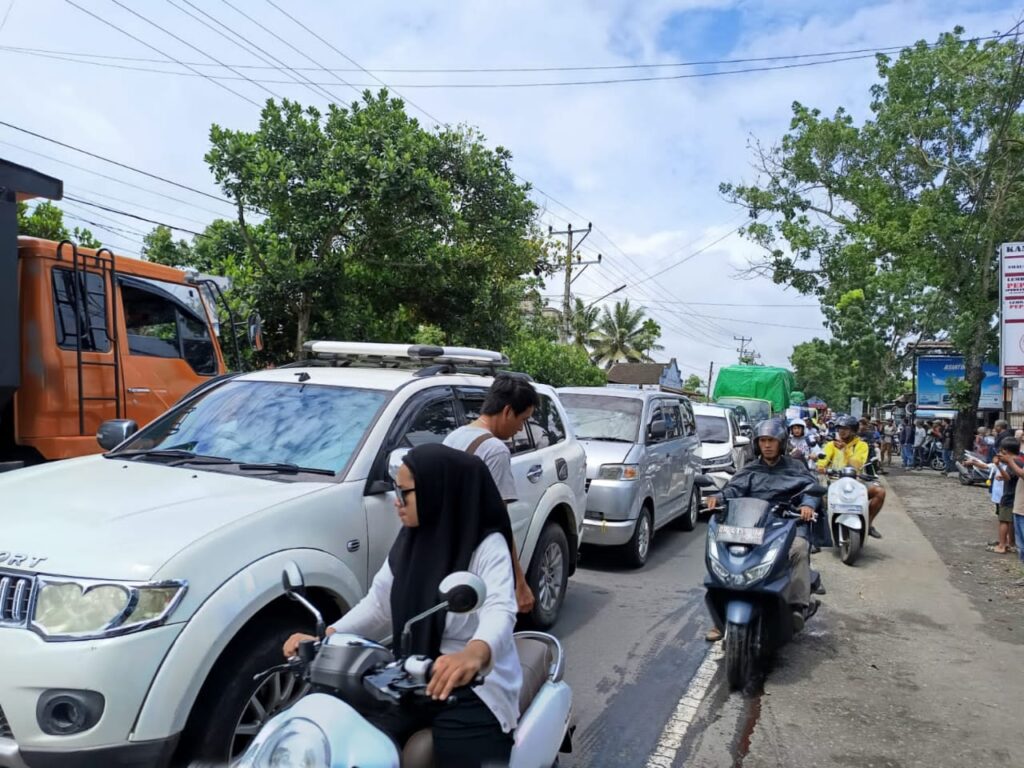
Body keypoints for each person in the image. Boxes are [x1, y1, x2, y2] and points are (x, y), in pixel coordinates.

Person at [283, 444, 522, 766]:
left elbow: (499, 608)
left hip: (472, 682)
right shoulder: (410, 539)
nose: (397, 500)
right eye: (397, 489)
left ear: (439, 492)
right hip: (409, 671)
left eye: (406, 492)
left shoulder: (485, 545)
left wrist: (475, 653)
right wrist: (327, 636)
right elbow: (379, 605)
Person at [704, 419, 821, 642]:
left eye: (772, 440)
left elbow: (810, 489)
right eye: (763, 441)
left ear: (781, 442)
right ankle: (721, 620)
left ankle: (798, 606)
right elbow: (734, 490)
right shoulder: (750, 469)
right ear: (757, 444)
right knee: (726, 556)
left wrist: (807, 505)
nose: (767, 445)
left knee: (799, 548)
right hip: (751, 525)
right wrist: (719, 497)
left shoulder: (795, 467)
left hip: (786, 524)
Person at [443, 374, 540, 615]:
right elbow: (500, 522)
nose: (520, 428)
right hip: (476, 559)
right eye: (523, 419)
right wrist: (519, 582)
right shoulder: (495, 450)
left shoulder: (455, 436)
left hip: (447, 553)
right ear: (508, 411)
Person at [818, 415, 887, 538]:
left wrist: (845, 449)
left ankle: (868, 525)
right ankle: (816, 536)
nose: (842, 431)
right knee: (814, 498)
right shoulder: (831, 444)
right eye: (840, 428)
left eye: (846, 428)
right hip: (834, 482)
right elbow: (822, 460)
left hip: (855, 482)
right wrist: (821, 466)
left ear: (853, 430)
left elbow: (856, 465)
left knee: (880, 492)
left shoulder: (861, 445)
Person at [990, 438, 1022, 555]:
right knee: (1011, 521)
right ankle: (1011, 543)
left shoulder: (1012, 462)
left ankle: (1002, 545)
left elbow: (1009, 477)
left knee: (1003, 520)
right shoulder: (1019, 461)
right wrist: (1002, 476)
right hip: (1015, 495)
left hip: (1009, 495)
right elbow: (1013, 476)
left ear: (1005, 450)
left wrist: (998, 466)